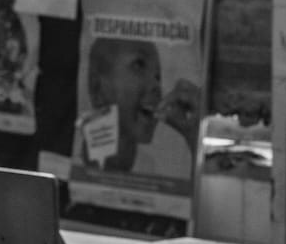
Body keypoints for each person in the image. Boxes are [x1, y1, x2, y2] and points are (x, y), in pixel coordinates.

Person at [76, 35, 199, 176]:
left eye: (157, 77)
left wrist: (194, 137)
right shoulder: (64, 166)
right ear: (97, 88)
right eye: (139, 65)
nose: (156, 86)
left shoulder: (158, 171)